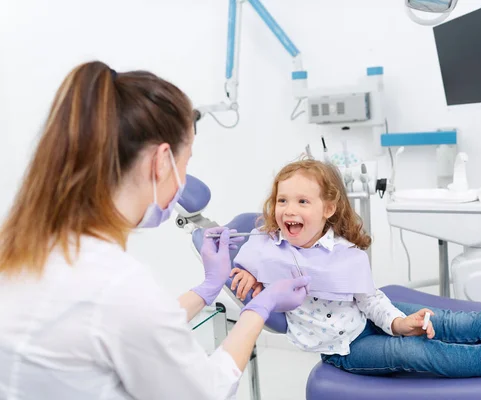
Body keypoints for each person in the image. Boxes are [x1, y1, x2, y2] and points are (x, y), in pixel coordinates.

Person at [0, 61, 310, 400]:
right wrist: (260, 306)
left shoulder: (28, 249)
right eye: (186, 160)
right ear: (162, 161)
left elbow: (133, 330)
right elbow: (207, 390)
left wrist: (207, 289)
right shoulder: (117, 285)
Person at [229, 159, 481, 390]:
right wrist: (245, 271)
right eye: (282, 200)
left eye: (302, 201)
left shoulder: (344, 254)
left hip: (370, 315)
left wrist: (398, 321)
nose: (288, 209)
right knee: (419, 353)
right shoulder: (267, 246)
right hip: (344, 349)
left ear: (329, 208)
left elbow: (369, 299)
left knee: (456, 323)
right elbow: (247, 250)